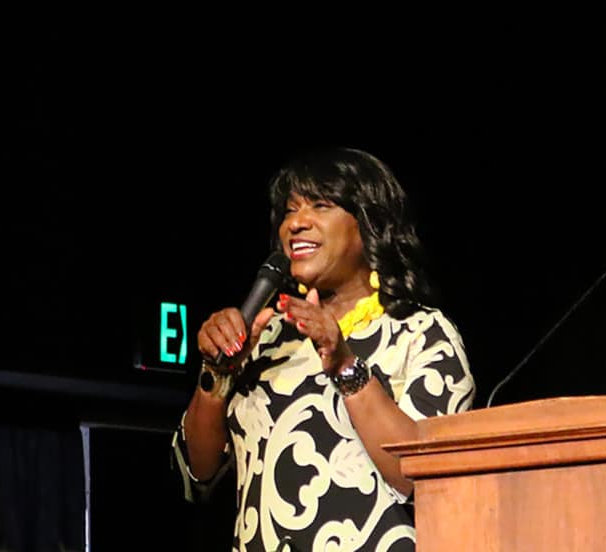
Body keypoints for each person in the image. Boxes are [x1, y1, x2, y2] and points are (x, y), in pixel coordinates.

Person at [171, 147, 475, 551]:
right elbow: (197, 475)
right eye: (289, 209)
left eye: (320, 204)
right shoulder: (267, 336)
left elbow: (428, 481)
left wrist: (346, 365)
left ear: (369, 223)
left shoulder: (420, 334)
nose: (296, 223)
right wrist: (218, 376)